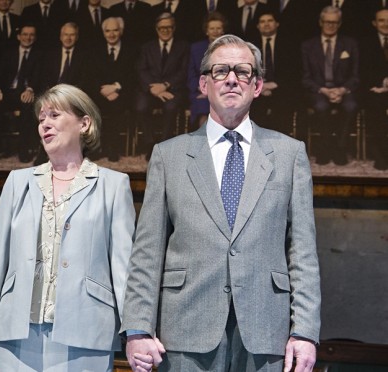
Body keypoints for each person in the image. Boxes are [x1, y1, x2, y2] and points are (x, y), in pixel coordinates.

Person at [121, 34, 321, 372]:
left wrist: (305, 332)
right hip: (185, 328)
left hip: (264, 331)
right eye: (221, 71)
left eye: (243, 72)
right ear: (203, 84)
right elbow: (147, 251)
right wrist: (138, 328)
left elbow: (302, 251)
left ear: (257, 85)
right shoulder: (168, 156)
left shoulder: (289, 154)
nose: (231, 78)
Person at [0, 84, 135, 372]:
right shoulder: (18, 181)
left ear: (84, 123)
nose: (44, 123)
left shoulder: (113, 185)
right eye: (41, 117)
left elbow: (124, 270)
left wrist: (135, 332)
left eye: (55, 115)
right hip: (16, 335)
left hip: (86, 332)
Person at [301, 6, 359, 165]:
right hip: (318, 90)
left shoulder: (350, 44)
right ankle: (325, 148)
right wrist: (324, 91)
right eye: (327, 22)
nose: (330, 25)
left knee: (351, 106)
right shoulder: (308, 46)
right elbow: (305, 78)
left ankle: (340, 149)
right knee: (321, 106)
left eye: (334, 22)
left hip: (343, 90)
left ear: (339, 24)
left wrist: (342, 90)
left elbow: (355, 76)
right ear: (320, 22)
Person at [0, 23, 44, 164]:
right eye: (25, 34)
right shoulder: (8, 53)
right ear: (19, 36)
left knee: (28, 106)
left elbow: (39, 76)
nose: (27, 38)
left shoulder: (39, 55)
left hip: (25, 92)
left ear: (35, 38)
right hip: (7, 92)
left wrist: (30, 89)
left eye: (31, 35)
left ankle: (23, 149)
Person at [135, 12, 189, 158]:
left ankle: (164, 146)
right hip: (150, 90)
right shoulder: (147, 47)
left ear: (174, 28)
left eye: (169, 27)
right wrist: (154, 89)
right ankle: (150, 144)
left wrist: (165, 85)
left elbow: (184, 71)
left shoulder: (183, 46)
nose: (165, 31)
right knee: (141, 107)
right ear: (156, 29)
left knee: (171, 107)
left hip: (173, 89)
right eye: (161, 28)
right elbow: (141, 70)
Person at [89, 16, 138, 162]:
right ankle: (98, 147)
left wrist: (116, 87)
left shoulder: (131, 50)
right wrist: (103, 90)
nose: (111, 34)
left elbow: (133, 76)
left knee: (117, 107)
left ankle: (113, 148)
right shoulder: (96, 50)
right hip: (101, 92)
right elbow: (91, 75)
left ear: (121, 31)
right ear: (103, 32)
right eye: (108, 31)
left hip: (122, 92)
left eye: (115, 30)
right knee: (92, 107)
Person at [250, 12, 301, 135]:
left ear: (277, 24)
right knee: (254, 109)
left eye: (270, 20)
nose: (266, 24)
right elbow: (245, 69)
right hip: (256, 88)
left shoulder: (288, 43)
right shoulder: (249, 45)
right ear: (258, 26)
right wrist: (260, 85)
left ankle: (280, 150)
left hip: (280, 87)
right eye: (262, 21)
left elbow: (293, 71)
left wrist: (276, 84)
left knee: (283, 109)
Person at [360, 8, 388, 170]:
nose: (386, 24)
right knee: (375, 107)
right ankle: (379, 154)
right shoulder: (366, 44)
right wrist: (382, 83)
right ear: (374, 23)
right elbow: (363, 71)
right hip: (375, 89)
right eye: (382, 20)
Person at [187, 11, 226, 129]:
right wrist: (203, 89)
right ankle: (205, 144)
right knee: (204, 106)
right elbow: (191, 74)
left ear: (223, 31)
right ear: (206, 31)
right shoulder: (196, 48)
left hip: (224, 90)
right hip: (201, 91)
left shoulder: (231, 48)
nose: (215, 31)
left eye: (218, 28)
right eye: (212, 28)